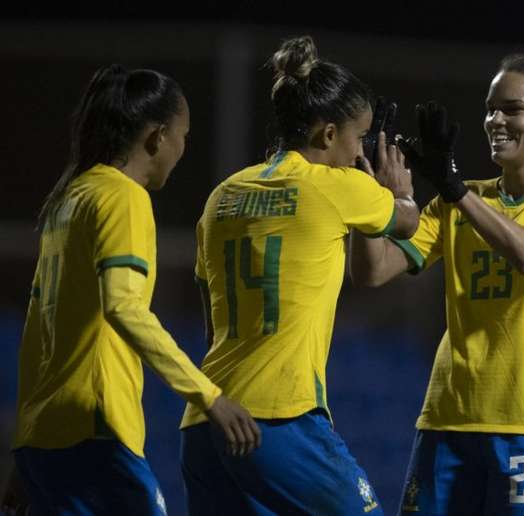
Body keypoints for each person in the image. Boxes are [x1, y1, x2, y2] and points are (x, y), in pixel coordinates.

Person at [350, 53, 524, 515]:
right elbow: (373, 271)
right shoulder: (460, 199)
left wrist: (455, 191)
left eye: (512, 109)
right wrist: (371, 196)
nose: (495, 120)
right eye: (490, 108)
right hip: (448, 420)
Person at [1, 64, 259, 516]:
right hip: (94, 429)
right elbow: (124, 307)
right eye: (183, 135)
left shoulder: (70, 198)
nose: (183, 148)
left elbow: (38, 328)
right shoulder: (123, 197)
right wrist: (209, 396)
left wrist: (25, 445)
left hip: (43, 438)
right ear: (158, 137)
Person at [179, 36, 419, 515]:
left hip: (205, 426)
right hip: (277, 420)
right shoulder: (337, 185)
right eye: (360, 137)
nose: (360, 152)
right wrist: (398, 190)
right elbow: (406, 221)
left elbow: (211, 323)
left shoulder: (222, 196)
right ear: (328, 135)